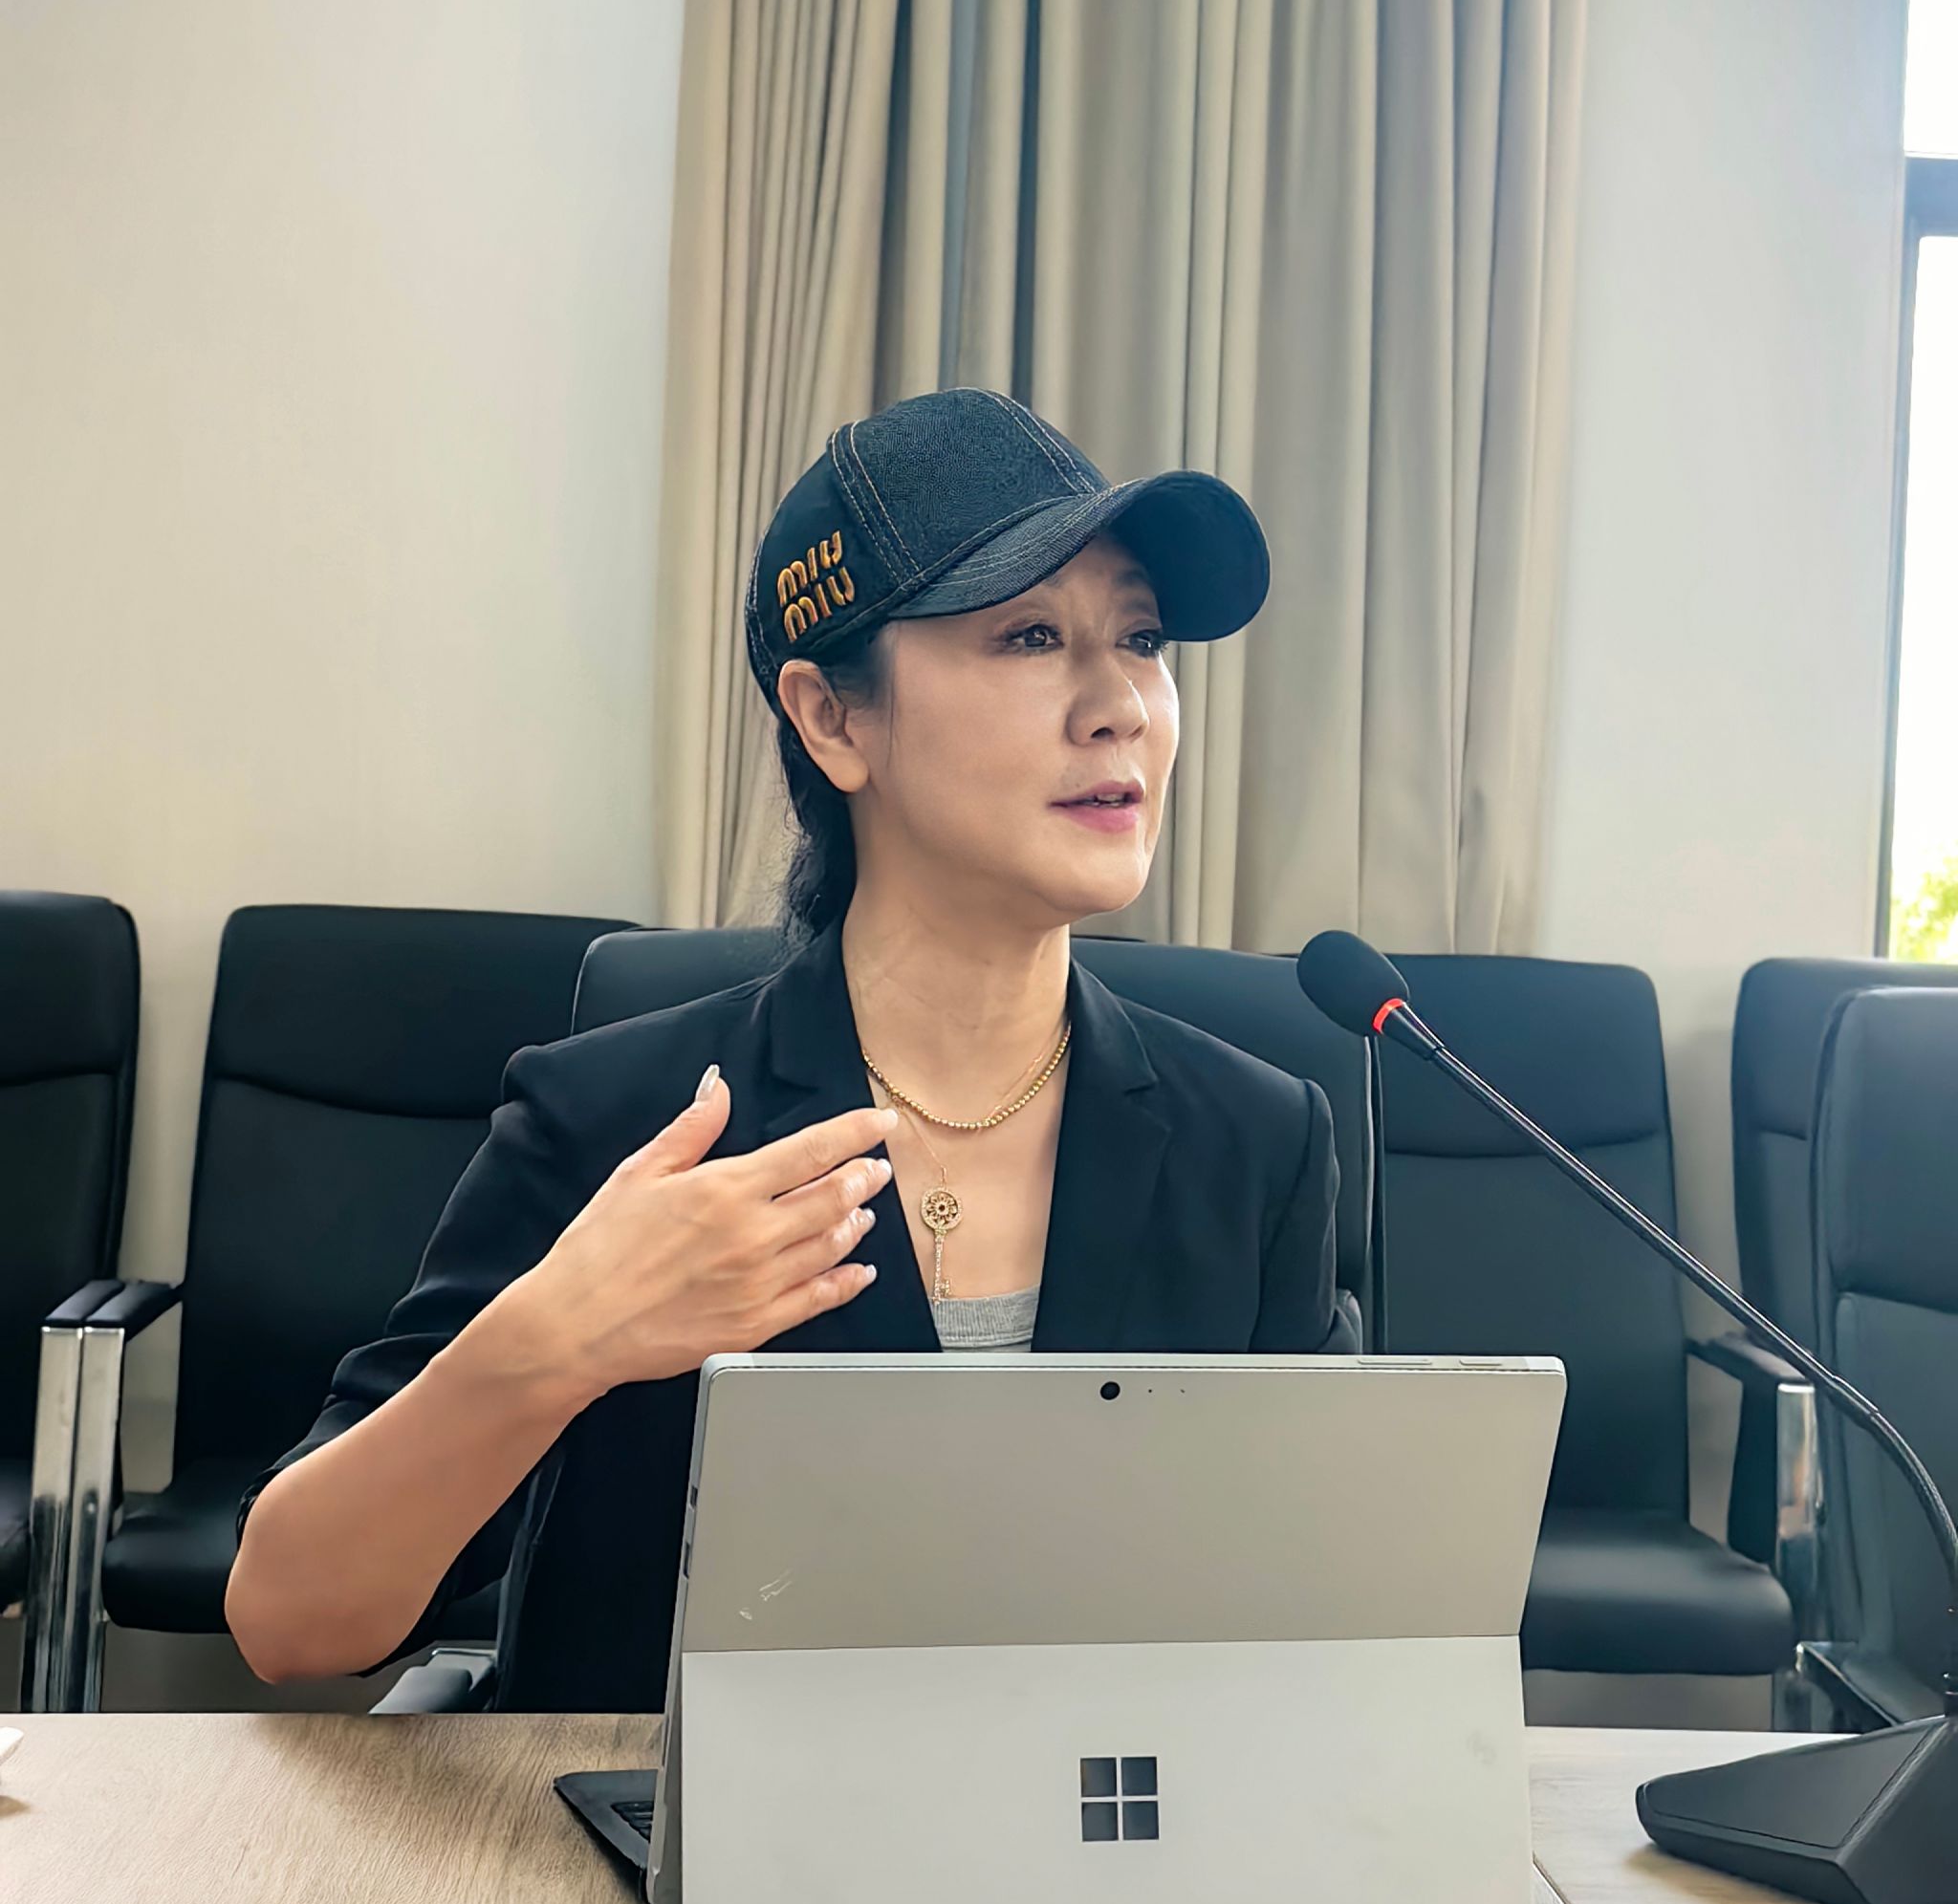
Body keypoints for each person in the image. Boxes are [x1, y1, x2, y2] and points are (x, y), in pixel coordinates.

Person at [226, 387, 1357, 1711]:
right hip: (668, 1842)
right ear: (833, 720)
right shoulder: (626, 1121)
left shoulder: (1258, 1142)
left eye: (1143, 637)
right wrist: (564, 1335)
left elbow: (1320, 1615)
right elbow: (291, 1619)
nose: (1121, 706)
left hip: (1095, 1833)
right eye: (1032, 635)